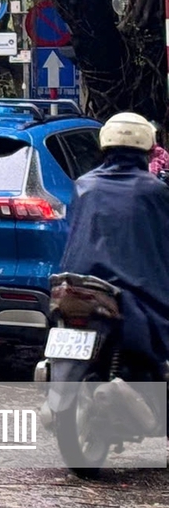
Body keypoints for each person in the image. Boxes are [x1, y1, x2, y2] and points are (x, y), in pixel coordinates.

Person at [56, 112, 169, 364]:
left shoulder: (84, 185)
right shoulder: (154, 190)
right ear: (148, 147)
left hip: (76, 284)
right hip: (135, 289)